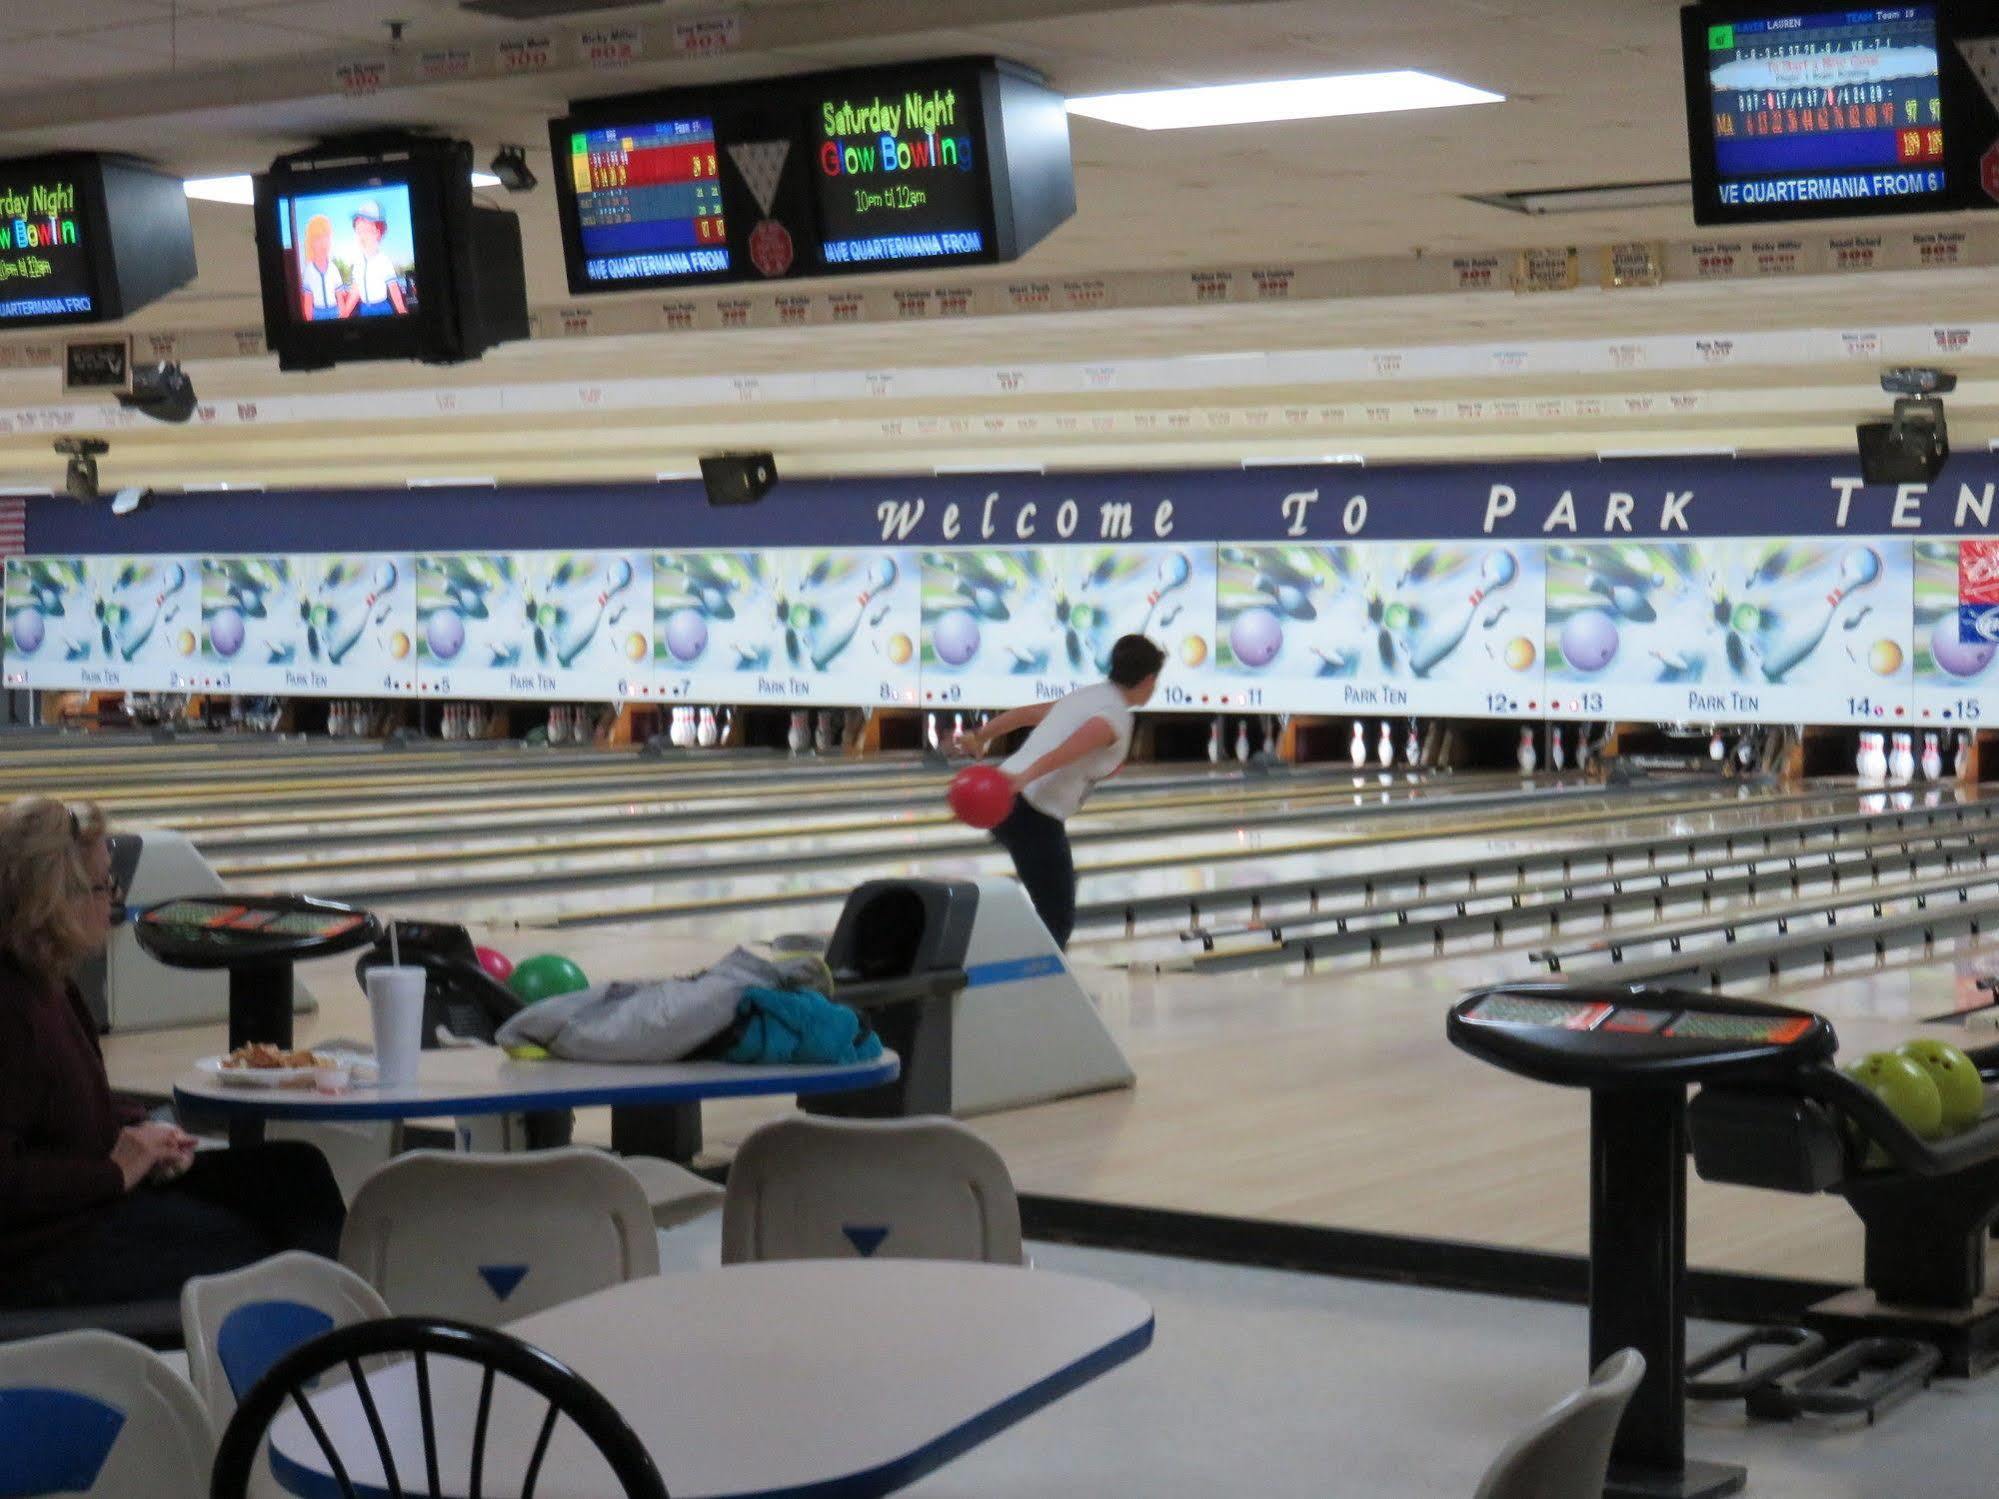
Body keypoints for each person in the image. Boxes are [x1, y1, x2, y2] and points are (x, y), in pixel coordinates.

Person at [0, 798, 346, 1308]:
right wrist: (117, 1171)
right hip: (42, 1252)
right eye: (102, 885)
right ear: (55, 899)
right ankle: (297, 1358)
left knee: (297, 1176)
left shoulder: (50, 984)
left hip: (91, 1204)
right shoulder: (11, 1007)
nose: (114, 899)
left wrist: (145, 1132)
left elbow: (63, 1116)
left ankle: (335, 1341)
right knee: (256, 1248)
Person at [957, 634, 1164, 949]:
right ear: (1148, 679)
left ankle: (1022, 961)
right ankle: (1031, 981)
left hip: (1007, 801)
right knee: (1058, 916)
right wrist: (1026, 776)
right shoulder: (1116, 716)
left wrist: (980, 735)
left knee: (1055, 891)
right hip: (1032, 812)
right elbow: (1069, 750)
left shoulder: (1090, 695)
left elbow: (1026, 714)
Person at [339, 199, 407, 318]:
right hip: (364, 309)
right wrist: (344, 314)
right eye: (359, 231)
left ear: (378, 232)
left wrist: (401, 310)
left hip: (382, 308)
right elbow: (356, 290)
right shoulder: (358, 262)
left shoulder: (384, 261)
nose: (362, 237)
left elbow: (394, 289)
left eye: (366, 231)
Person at [296, 212, 342, 322]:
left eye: (326, 237)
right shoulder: (309, 271)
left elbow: (340, 298)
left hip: (335, 312)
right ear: (311, 242)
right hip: (317, 314)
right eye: (318, 238)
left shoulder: (334, 269)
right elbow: (308, 303)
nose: (323, 243)